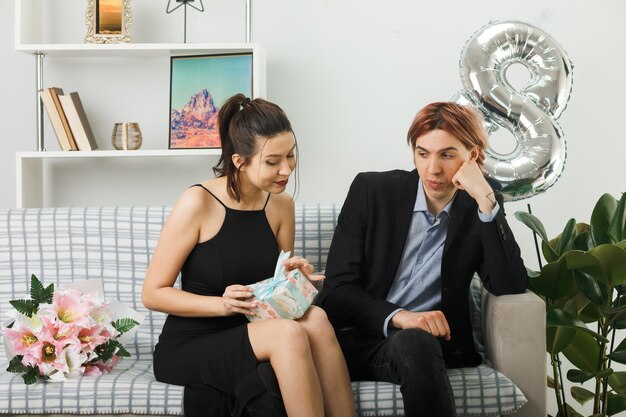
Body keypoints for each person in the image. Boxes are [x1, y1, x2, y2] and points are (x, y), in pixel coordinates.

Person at [142, 93, 356, 417]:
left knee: (318, 319)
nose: (286, 169)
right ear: (239, 161)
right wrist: (222, 305)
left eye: (291, 156)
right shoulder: (197, 203)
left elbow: (275, 294)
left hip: (255, 328)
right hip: (191, 343)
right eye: (272, 161)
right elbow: (152, 294)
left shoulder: (281, 204)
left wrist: (295, 279)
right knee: (288, 334)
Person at [316, 102, 528, 417]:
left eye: (447, 154)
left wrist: (486, 200)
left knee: (416, 342)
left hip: (421, 348)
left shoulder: (477, 205)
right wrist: (401, 316)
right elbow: (336, 290)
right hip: (356, 341)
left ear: (472, 156)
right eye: (423, 153)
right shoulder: (371, 191)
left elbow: (508, 284)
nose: (432, 169)